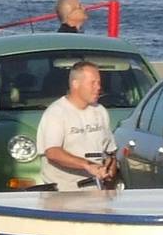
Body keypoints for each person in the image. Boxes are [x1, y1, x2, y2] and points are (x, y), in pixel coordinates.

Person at [35, 62, 118, 191]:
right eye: (93, 83)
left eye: (99, 83)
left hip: (96, 191)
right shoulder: (56, 113)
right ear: (75, 84)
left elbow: (110, 152)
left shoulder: (100, 111)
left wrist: (110, 169)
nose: (98, 88)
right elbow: (52, 152)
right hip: (64, 193)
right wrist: (87, 165)